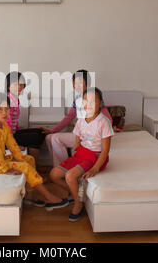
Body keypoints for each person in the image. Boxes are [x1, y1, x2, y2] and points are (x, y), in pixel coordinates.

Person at [0, 92, 67, 209]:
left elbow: (13, 146)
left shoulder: (4, 126)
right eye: (0, 110)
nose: (4, 113)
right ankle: (49, 197)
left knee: (29, 159)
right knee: (25, 167)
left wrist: (21, 158)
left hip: (1, 159)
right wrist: (6, 170)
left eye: (7, 109)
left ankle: (29, 196)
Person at [49, 88, 113, 221]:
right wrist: (76, 145)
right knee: (53, 174)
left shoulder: (104, 122)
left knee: (70, 175)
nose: (88, 104)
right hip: (81, 153)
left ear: (101, 103)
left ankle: (79, 202)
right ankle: (76, 193)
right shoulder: (82, 119)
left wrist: (95, 168)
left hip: (94, 156)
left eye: (93, 101)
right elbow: (78, 133)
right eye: (85, 101)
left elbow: (105, 150)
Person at [42, 70, 113, 167]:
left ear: (87, 82)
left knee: (55, 138)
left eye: (80, 82)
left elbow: (108, 119)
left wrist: (101, 134)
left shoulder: (93, 98)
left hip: (90, 137)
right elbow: (69, 117)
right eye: (75, 82)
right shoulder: (78, 99)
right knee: (49, 137)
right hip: (80, 133)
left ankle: (65, 167)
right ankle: (58, 166)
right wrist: (52, 130)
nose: (77, 85)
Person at [5, 72, 45, 161]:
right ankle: (33, 167)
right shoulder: (6, 101)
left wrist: (21, 132)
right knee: (36, 138)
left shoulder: (15, 99)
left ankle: (33, 165)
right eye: (15, 84)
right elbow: (5, 127)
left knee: (41, 132)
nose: (19, 86)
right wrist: (13, 146)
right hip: (4, 139)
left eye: (21, 84)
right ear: (8, 86)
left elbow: (14, 122)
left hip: (12, 133)